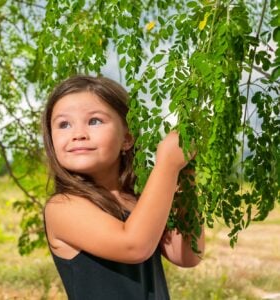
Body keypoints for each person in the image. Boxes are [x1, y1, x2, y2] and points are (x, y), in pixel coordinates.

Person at [42, 75, 205, 299]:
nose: (78, 134)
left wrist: (185, 172)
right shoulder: (63, 207)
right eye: (64, 124)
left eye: (94, 121)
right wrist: (167, 163)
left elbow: (187, 255)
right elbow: (134, 245)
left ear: (127, 138)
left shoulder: (137, 199)